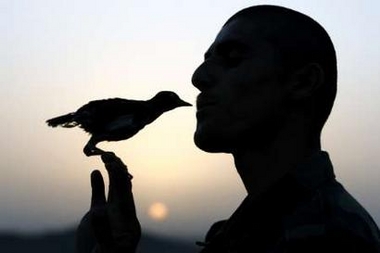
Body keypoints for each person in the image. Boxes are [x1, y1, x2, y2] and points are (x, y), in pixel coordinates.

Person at [75, 5, 380, 253]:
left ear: (302, 83)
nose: (198, 77)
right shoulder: (247, 231)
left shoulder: (325, 239)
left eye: (232, 58)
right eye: (206, 60)